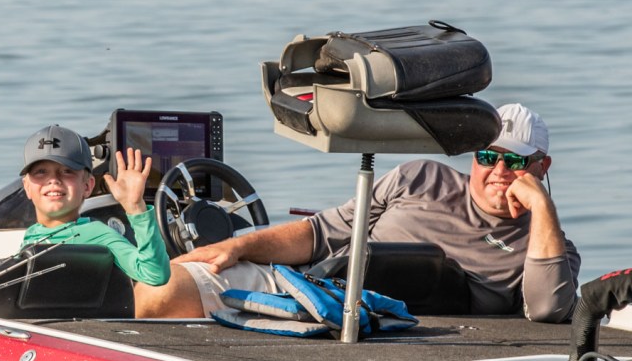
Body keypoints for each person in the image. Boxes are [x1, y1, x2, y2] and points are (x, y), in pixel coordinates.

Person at [134, 103, 580, 323]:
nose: (499, 171)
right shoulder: (420, 177)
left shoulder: (550, 248)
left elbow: (547, 309)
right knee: (162, 286)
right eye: (487, 156)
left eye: (515, 161)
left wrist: (541, 206)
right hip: (314, 289)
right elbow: (319, 234)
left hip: (399, 331)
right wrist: (238, 246)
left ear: (541, 168)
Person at [20, 124, 170, 286]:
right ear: (27, 187)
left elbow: (154, 274)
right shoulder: (32, 233)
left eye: (67, 171)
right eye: (41, 172)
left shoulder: (99, 235)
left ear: (87, 186)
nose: (53, 180)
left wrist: (136, 208)